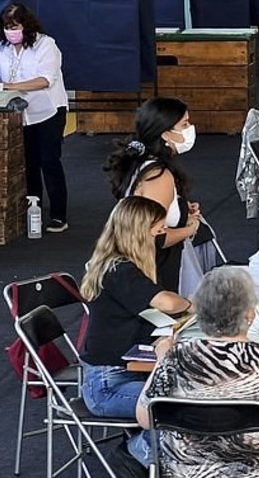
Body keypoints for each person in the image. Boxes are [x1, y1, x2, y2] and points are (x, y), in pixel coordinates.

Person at [134, 267, 259, 478]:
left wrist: (161, 360)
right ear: (250, 314)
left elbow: (144, 419)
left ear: (200, 313)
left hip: (189, 472)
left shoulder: (176, 357)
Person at [79, 197, 192, 467]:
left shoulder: (116, 265)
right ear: (139, 232)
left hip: (125, 371)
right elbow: (165, 302)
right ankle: (133, 455)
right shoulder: (119, 270)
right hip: (108, 384)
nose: (161, 236)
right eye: (157, 230)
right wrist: (193, 304)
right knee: (183, 407)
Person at [0, 3, 69, 232]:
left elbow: (44, 80)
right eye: (7, 27)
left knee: (49, 161)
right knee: (28, 163)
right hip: (22, 114)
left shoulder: (46, 45)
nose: (11, 31)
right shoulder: (3, 47)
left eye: (15, 26)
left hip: (49, 111)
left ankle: (59, 214)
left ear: (26, 25)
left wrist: (7, 86)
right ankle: (32, 209)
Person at [103, 98, 201, 291]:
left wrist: (180, 209)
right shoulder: (158, 175)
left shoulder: (142, 163)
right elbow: (154, 235)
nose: (190, 128)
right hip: (154, 269)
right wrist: (191, 228)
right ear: (166, 134)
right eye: (184, 124)